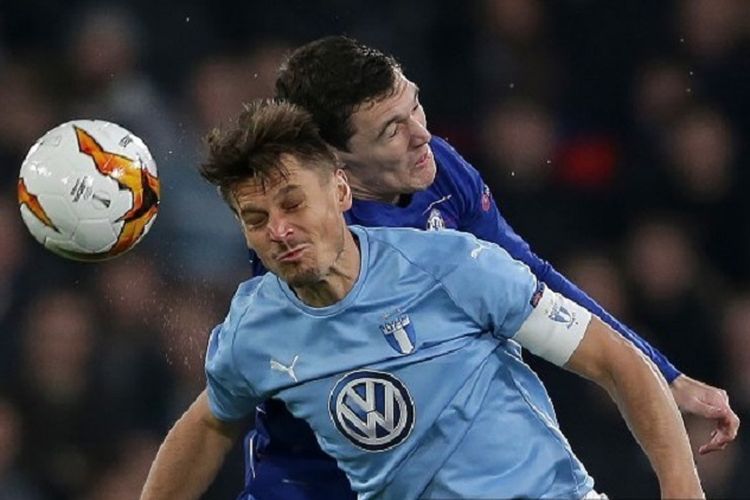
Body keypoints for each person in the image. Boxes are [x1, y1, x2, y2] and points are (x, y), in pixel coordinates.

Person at [239, 36, 739, 499]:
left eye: (415, 107)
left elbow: (530, 272)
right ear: (335, 162)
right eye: (394, 130)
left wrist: (664, 373)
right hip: (320, 479)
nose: (423, 135)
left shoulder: (438, 171)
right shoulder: (312, 251)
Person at [141, 99, 704, 499]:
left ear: (340, 190)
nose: (280, 230)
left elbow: (614, 359)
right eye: (257, 219)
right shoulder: (253, 329)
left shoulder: (450, 265)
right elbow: (212, 422)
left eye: (293, 204)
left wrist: (681, 488)